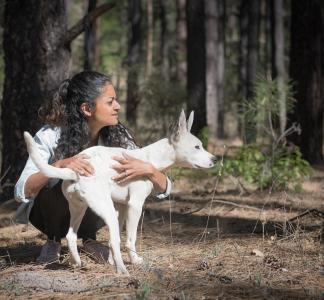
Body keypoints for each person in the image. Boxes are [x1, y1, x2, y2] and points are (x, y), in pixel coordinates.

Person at [14, 71, 172, 264]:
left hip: (91, 216)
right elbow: (22, 190)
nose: (118, 106)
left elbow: (164, 188)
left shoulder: (118, 137)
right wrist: (59, 165)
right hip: (47, 215)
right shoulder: (50, 135)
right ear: (87, 109)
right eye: (110, 102)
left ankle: (89, 240)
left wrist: (149, 170)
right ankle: (53, 241)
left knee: (105, 182)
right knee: (59, 177)